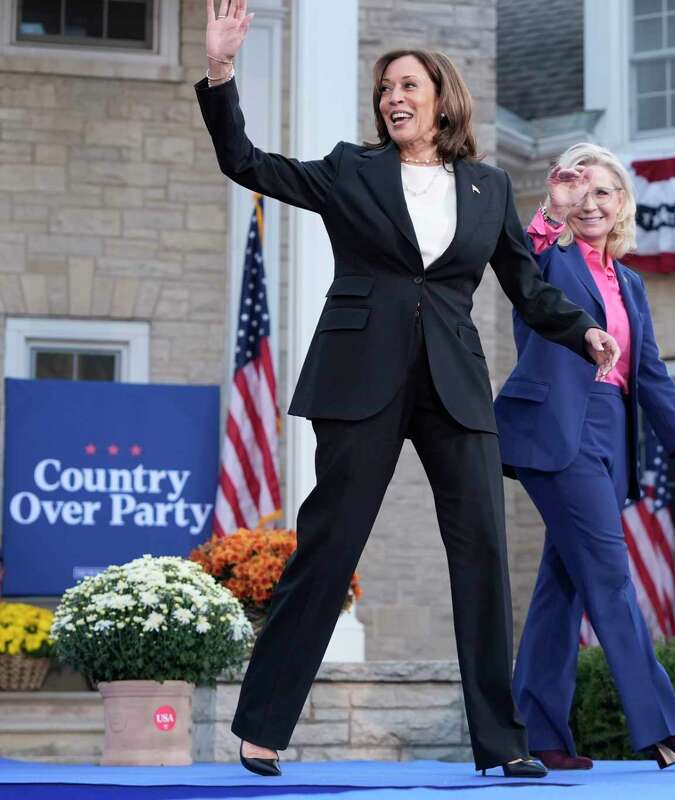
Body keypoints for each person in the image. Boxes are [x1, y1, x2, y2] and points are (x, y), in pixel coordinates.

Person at [198, 0, 621, 779]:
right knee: (328, 547)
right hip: (359, 377)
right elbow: (248, 164)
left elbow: (525, 285)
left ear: (441, 99)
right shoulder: (349, 170)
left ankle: (504, 742)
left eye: (408, 86)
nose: (394, 96)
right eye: (385, 87)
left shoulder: (487, 188)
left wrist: (581, 330)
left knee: (484, 554)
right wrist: (222, 71)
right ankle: (261, 727)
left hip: (454, 383)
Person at [494, 143, 675, 771]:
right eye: (580, 190)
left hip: (610, 435)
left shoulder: (630, 284)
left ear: (621, 203)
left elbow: (650, 374)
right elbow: (523, 260)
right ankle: (665, 726)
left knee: (562, 587)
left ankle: (536, 734)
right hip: (556, 432)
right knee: (609, 573)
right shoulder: (547, 257)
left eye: (603, 192)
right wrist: (550, 208)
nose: (590, 203)